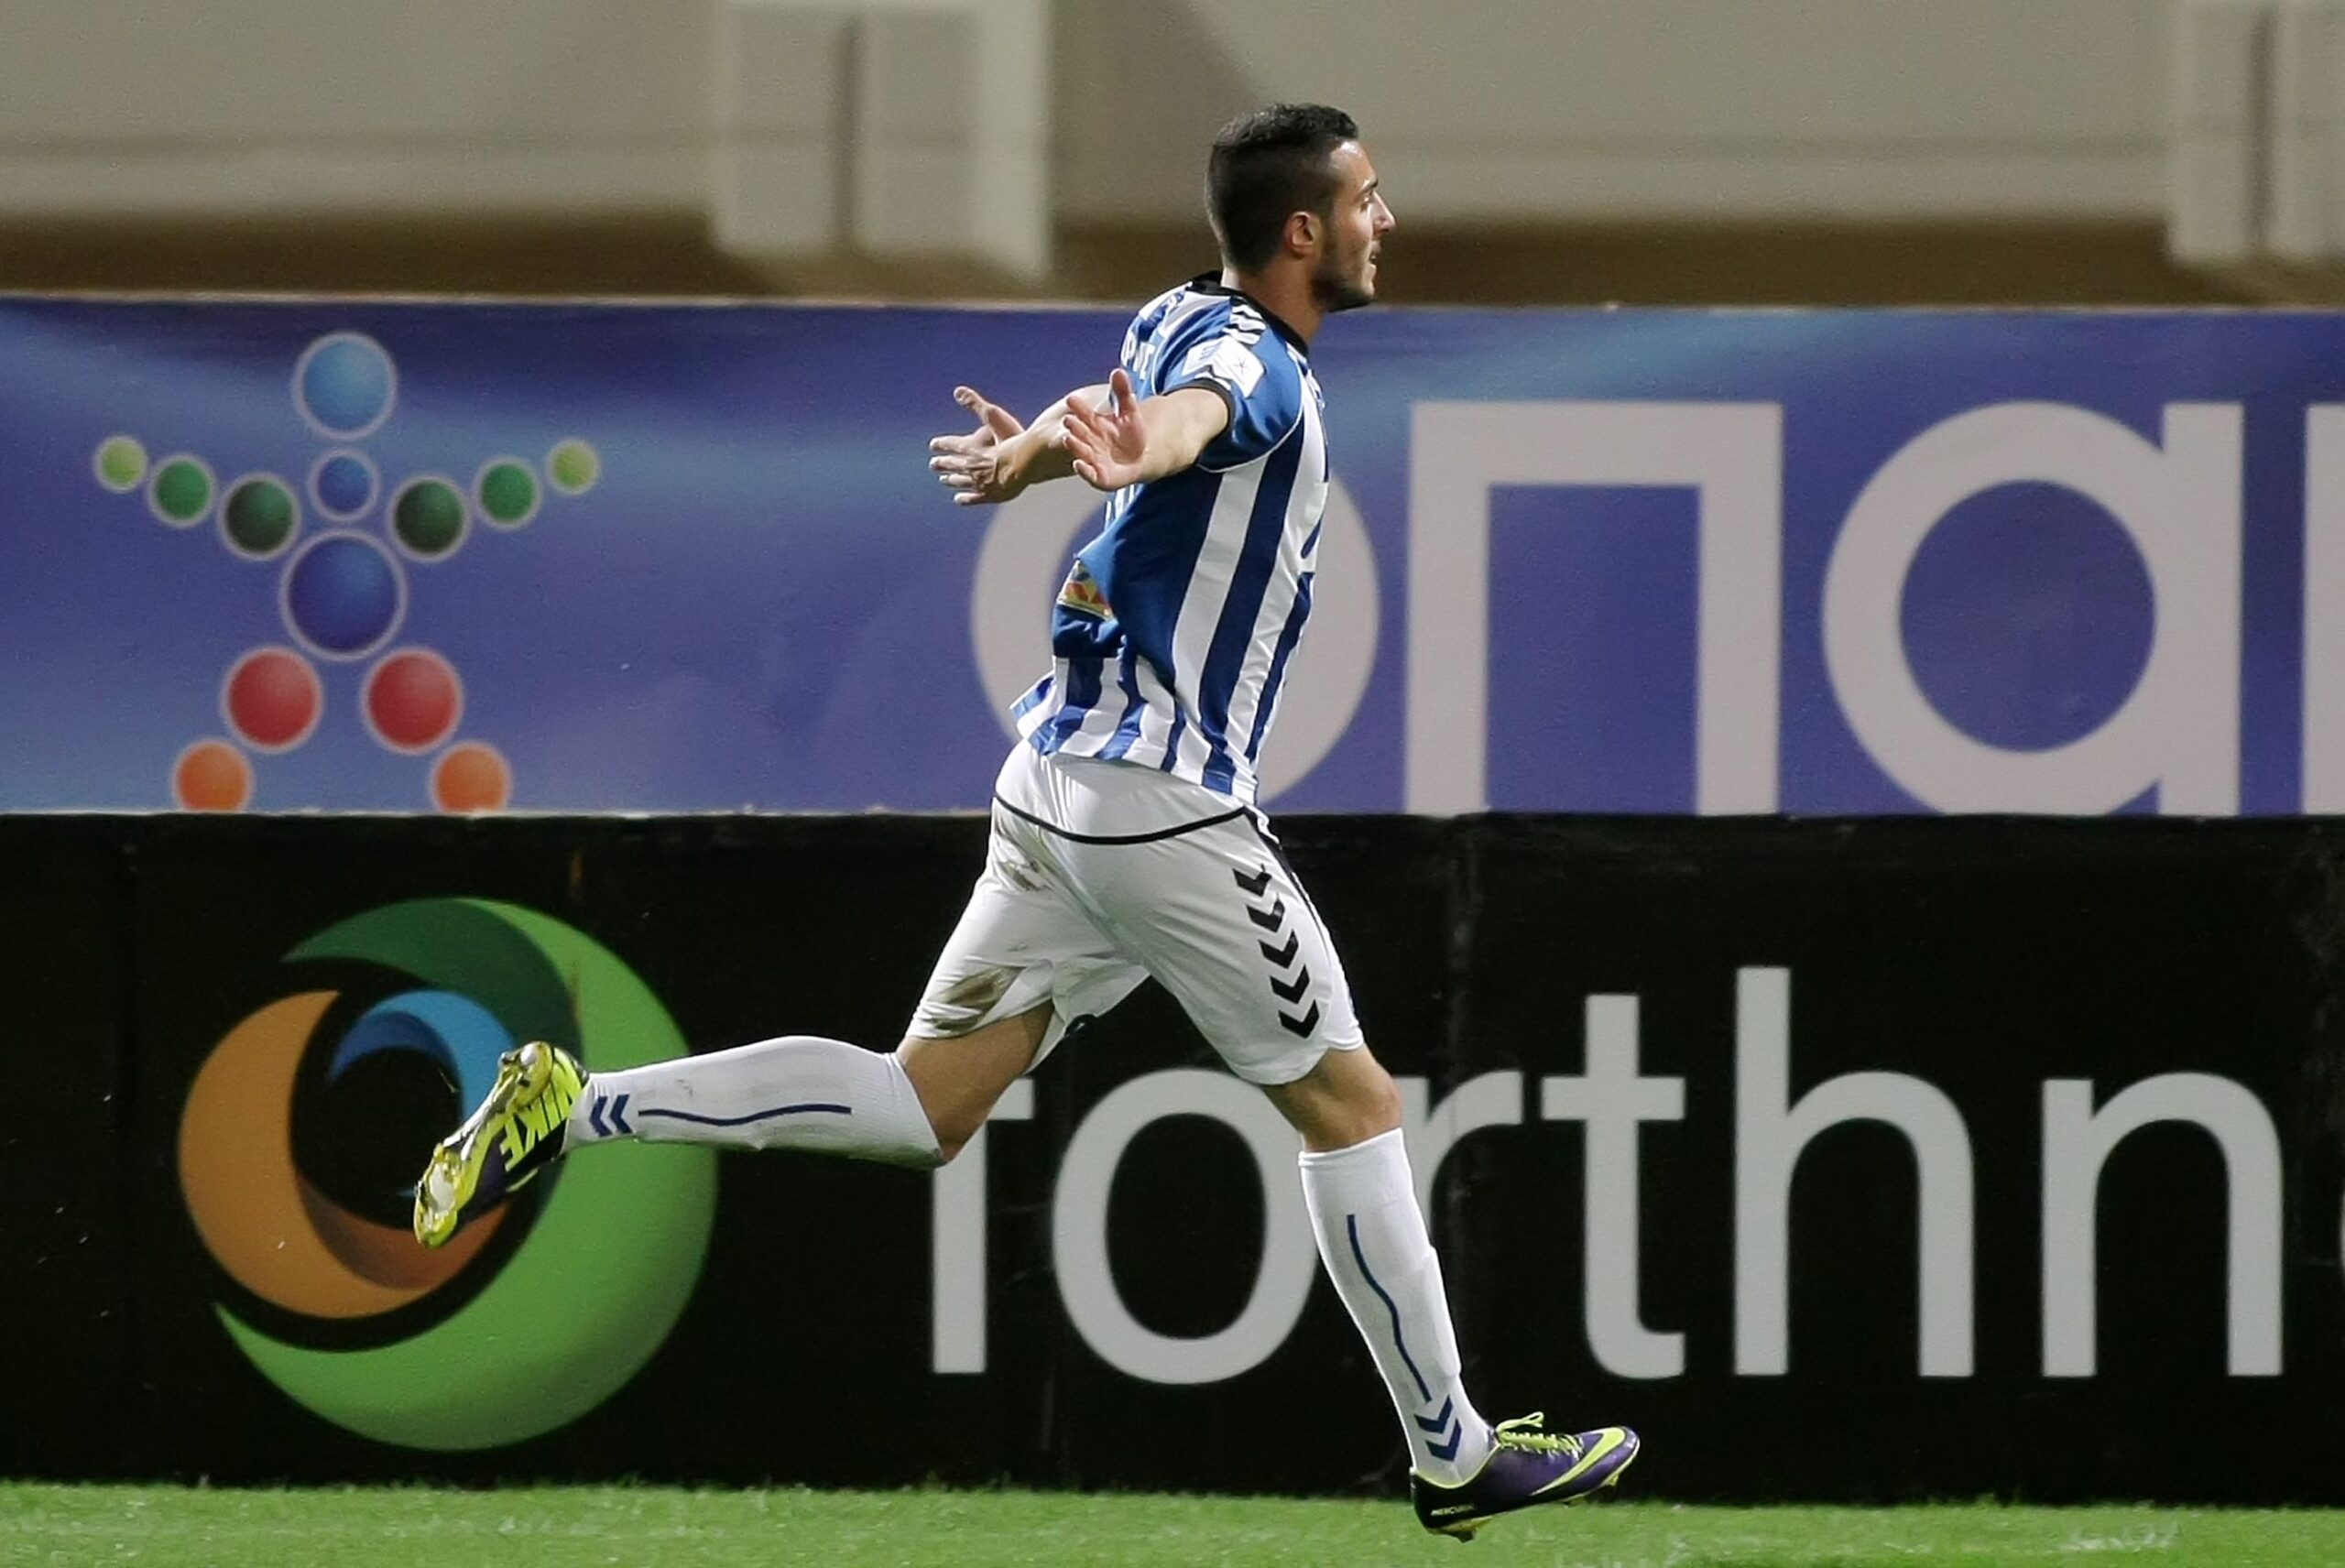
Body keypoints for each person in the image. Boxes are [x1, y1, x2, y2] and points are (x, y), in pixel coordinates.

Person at [412, 103, 1637, 1540]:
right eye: (1368, 198)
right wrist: (1136, 455)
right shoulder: (1257, 369)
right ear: (1304, 231)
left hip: (1054, 790)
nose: (1388, 220)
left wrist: (1035, 462)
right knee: (1352, 1103)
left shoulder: (1181, 312)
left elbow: (1111, 406)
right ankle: (1452, 1455)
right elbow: (1185, 422)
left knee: (921, 1105)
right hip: (1161, 812)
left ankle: (574, 1104)